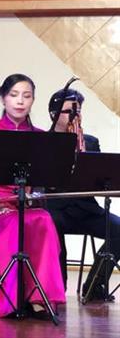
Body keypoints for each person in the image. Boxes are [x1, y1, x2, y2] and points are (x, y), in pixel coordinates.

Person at [0, 73, 65, 319]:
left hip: (22, 204)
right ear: (3, 99)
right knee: (13, 223)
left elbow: (44, 178)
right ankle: (11, 298)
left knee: (43, 220)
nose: (20, 101)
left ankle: (39, 299)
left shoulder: (40, 136)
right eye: (14, 95)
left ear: (33, 100)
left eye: (26, 96)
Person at [47, 88, 120, 301]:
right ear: (54, 114)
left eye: (78, 111)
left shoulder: (90, 141)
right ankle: (57, 288)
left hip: (86, 209)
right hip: (57, 209)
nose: (75, 116)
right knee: (49, 226)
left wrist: (85, 159)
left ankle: (95, 284)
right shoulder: (44, 141)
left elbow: (100, 180)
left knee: (119, 230)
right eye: (69, 112)